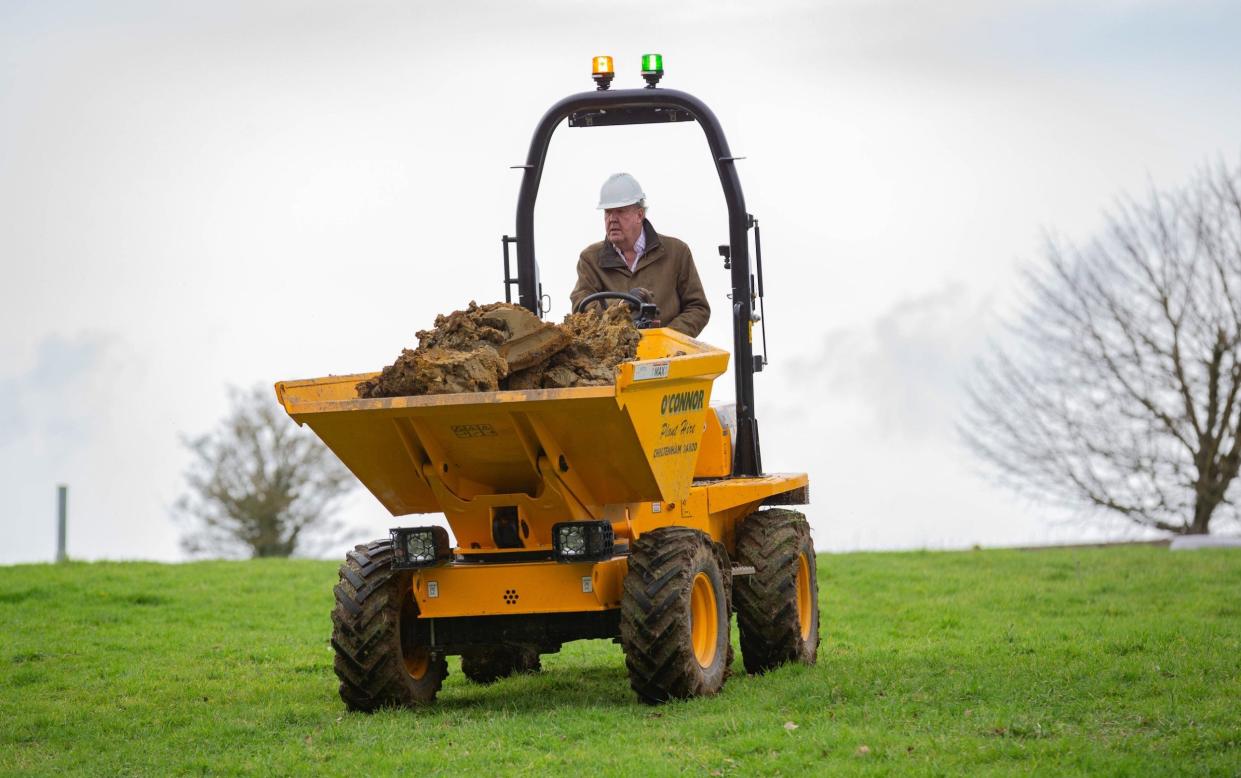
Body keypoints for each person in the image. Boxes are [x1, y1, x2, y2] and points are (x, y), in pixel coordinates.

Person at [570, 173, 710, 337]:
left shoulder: (677, 252)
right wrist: (622, 304)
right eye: (608, 212)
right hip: (614, 359)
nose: (612, 219)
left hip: (668, 357)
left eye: (620, 211)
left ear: (639, 215)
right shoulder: (591, 258)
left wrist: (665, 338)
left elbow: (698, 308)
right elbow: (581, 308)